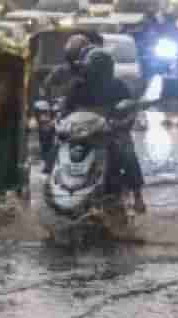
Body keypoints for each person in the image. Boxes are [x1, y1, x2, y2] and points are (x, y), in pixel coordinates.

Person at [63, 46, 147, 213]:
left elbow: (129, 110)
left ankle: (137, 194)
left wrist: (121, 123)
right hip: (82, 133)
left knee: (127, 153)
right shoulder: (78, 86)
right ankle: (52, 185)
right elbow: (66, 108)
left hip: (110, 133)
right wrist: (60, 120)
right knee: (58, 147)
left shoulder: (118, 86)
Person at [38, 34, 90, 174]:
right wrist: (51, 105)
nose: (76, 62)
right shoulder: (61, 71)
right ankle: (49, 164)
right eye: (73, 56)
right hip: (66, 114)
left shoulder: (92, 72)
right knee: (48, 130)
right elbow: (46, 87)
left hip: (90, 116)